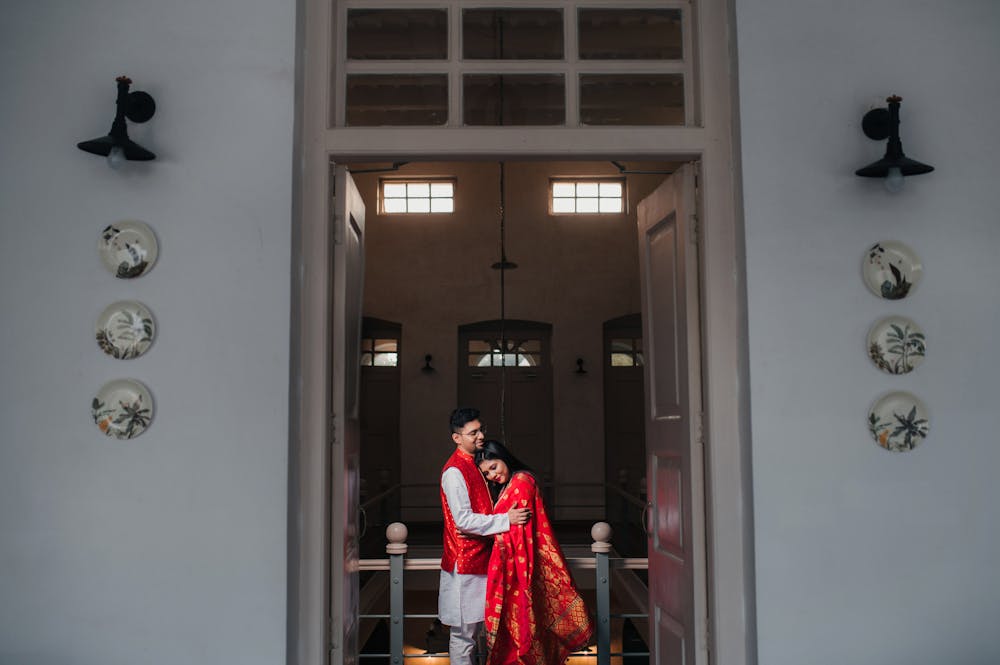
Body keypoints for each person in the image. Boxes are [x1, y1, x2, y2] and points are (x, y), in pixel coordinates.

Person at [475, 440, 595, 665]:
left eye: (494, 466)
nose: (492, 475)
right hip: (510, 565)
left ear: (504, 457)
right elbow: (506, 524)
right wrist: (500, 523)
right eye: (486, 473)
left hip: (522, 566)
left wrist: (495, 526)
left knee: (525, 631)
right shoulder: (506, 486)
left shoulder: (521, 482)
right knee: (516, 632)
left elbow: (519, 529)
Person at [439, 408, 531, 665]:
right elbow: (464, 521)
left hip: (486, 559)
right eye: (473, 433)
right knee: (464, 636)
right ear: (457, 438)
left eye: (481, 430)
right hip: (465, 563)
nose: (480, 436)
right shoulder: (454, 471)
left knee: (484, 633)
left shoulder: (477, 464)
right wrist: (506, 520)